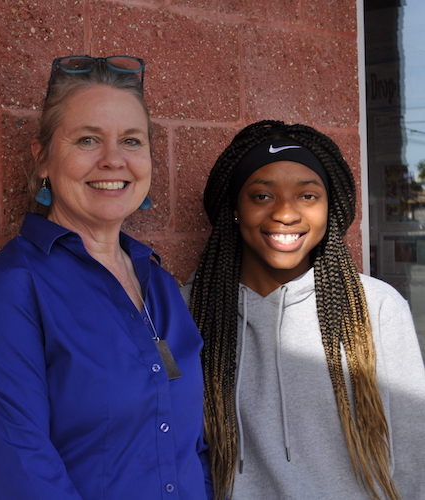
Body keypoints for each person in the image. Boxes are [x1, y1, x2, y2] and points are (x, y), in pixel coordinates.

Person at [0, 55, 214, 500]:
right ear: (43, 161)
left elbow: (193, 446)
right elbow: (23, 472)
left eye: (132, 141)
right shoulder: (12, 288)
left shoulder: (160, 284)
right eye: (88, 139)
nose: (113, 160)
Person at [182, 120, 425, 500]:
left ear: (330, 208)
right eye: (262, 196)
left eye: (308, 196)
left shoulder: (375, 307)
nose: (285, 213)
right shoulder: (189, 309)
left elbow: (414, 455)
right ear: (234, 208)